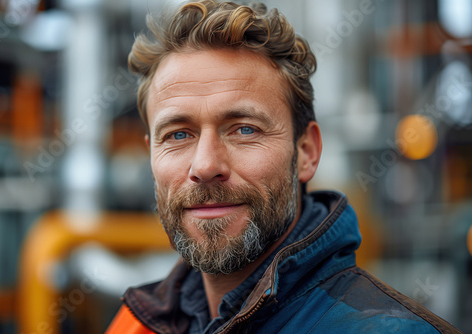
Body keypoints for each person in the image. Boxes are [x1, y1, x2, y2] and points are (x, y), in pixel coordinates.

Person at [106, 1, 461, 333]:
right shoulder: (134, 323)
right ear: (151, 154)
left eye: (244, 129)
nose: (205, 165)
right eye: (178, 134)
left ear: (306, 152)